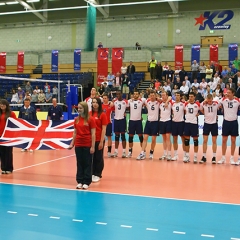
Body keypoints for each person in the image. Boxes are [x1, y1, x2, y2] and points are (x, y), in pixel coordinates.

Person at [69, 102, 96, 190]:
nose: (79, 110)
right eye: (78, 108)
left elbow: (93, 134)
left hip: (87, 144)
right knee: (79, 163)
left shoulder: (91, 120)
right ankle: (80, 181)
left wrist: (92, 146)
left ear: (85, 108)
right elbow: (75, 132)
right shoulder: (76, 119)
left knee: (87, 163)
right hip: (78, 145)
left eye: (81, 108)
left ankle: (86, 181)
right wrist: (72, 143)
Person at [218, 88, 240, 165]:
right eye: (227, 92)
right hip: (226, 122)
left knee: (233, 141)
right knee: (224, 140)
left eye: (229, 92)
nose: (227, 94)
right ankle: (223, 157)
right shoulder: (223, 100)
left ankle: (232, 158)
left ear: (233, 93)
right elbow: (213, 103)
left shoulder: (237, 100)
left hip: (234, 122)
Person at [137, 90, 160, 160]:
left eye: (153, 95)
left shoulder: (158, 102)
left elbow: (168, 98)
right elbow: (139, 99)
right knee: (145, 138)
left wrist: (159, 98)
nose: (152, 97)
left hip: (155, 122)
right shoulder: (147, 101)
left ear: (155, 96)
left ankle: (151, 152)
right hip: (148, 122)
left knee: (153, 139)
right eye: (151, 95)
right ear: (149, 96)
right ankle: (142, 153)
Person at [200, 94, 221, 164]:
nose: (209, 102)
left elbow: (221, 103)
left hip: (214, 124)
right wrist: (205, 113)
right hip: (206, 124)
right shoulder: (204, 104)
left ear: (212, 99)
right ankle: (204, 156)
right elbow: (200, 109)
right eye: (208, 101)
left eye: (210, 100)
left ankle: (214, 157)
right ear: (206, 99)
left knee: (214, 141)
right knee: (205, 140)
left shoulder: (216, 103)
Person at [90, 97, 107, 183]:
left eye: (96, 102)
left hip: (98, 139)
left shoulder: (102, 114)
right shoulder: (89, 114)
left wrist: (101, 141)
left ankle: (98, 174)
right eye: (93, 102)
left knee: (98, 157)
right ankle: (92, 173)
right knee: (91, 157)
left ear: (99, 104)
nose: (95, 104)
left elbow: (104, 129)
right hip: (90, 140)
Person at [0, 99, 17, 174]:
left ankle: (9, 168)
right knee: (1, 152)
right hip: (0, 136)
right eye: (0, 104)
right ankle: (3, 168)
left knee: (8, 152)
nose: (2, 105)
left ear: (6, 105)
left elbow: (15, 124)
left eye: (3, 104)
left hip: (8, 136)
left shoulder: (11, 114)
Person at [183, 92, 200, 163]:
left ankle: (195, 157)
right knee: (186, 141)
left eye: (192, 96)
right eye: (189, 96)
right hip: (187, 123)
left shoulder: (198, 104)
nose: (190, 98)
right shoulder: (186, 104)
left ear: (194, 97)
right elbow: (183, 111)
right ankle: (187, 156)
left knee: (195, 141)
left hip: (194, 124)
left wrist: (199, 113)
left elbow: (203, 109)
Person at [127, 91, 144, 157]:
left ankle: (143, 151)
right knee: (130, 137)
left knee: (141, 137)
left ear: (139, 95)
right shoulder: (130, 101)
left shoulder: (142, 101)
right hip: (132, 121)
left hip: (138, 121)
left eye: (137, 94)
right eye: (134, 94)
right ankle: (130, 151)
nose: (135, 95)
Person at [112, 91, 128, 158]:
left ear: (121, 94)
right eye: (117, 94)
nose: (118, 95)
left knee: (123, 136)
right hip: (116, 120)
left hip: (122, 120)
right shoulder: (114, 102)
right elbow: (112, 109)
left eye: (119, 94)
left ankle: (124, 152)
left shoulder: (125, 102)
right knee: (116, 136)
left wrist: (125, 113)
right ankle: (116, 151)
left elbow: (130, 107)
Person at [171, 92, 186, 160]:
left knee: (183, 139)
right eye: (176, 95)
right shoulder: (172, 104)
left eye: (178, 95)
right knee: (174, 139)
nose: (177, 97)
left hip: (181, 123)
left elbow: (186, 111)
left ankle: (185, 155)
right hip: (174, 123)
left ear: (180, 97)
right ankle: (176, 155)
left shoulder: (183, 104)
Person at [158, 91, 173, 161]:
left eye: (164, 95)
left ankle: (169, 154)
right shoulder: (160, 102)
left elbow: (171, 97)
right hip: (161, 121)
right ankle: (164, 153)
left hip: (168, 121)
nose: (163, 96)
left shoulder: (170, 102)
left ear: (167, 96)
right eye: (162, 95)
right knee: (163, 138)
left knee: (168, 137)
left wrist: (167, 101)